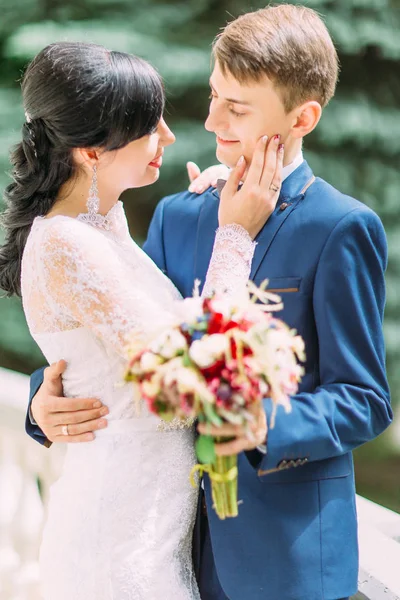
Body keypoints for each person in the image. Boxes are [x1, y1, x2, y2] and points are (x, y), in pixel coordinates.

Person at [21, 4, 392, 600]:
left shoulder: (340, 227)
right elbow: (128, 336)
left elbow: (365, 399)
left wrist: (260, 424)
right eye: (215, 94)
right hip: (168, 544)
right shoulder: (179, 214)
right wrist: (44, 398)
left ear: (303, 117)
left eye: (237, 108)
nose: (211, 117)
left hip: (284, 557)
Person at [0, 41, 283, 599]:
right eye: (148, 124)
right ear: (91, 151)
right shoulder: (65, 243)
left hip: (149, 517)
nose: (170, 135)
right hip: (118, 527)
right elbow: (189, 371)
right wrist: (234, 235)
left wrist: (205, 205)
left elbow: (120, 339)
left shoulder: (107, 223)